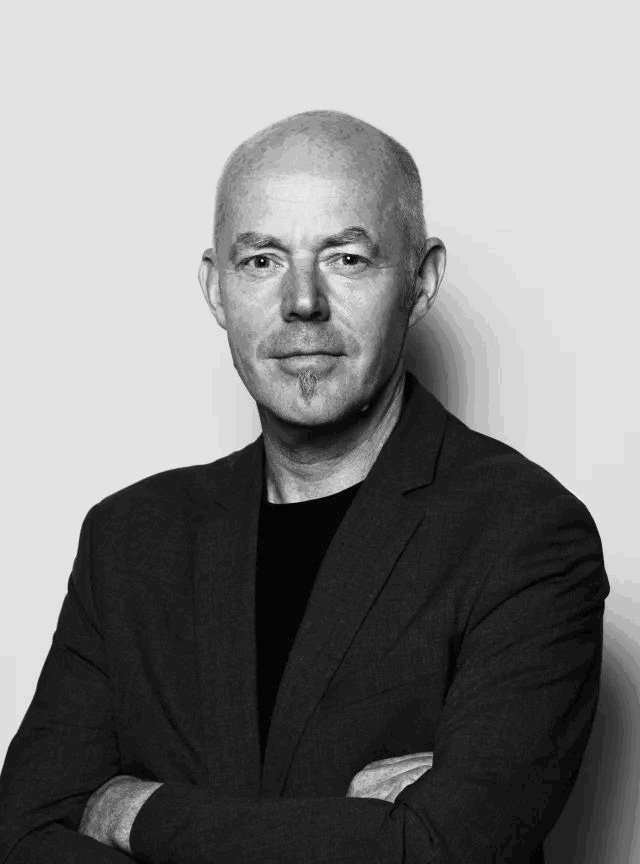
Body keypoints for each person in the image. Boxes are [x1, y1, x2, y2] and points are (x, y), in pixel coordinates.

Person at [0, 110, 609, 864]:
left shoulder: (526, 534)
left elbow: (440, 851)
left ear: (420, 282)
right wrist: (349, 829)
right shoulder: (128, 539)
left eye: (347, 258)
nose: (302, 301)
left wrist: (138, 812)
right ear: (216, 288)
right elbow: (27, 835)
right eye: (261, 261)